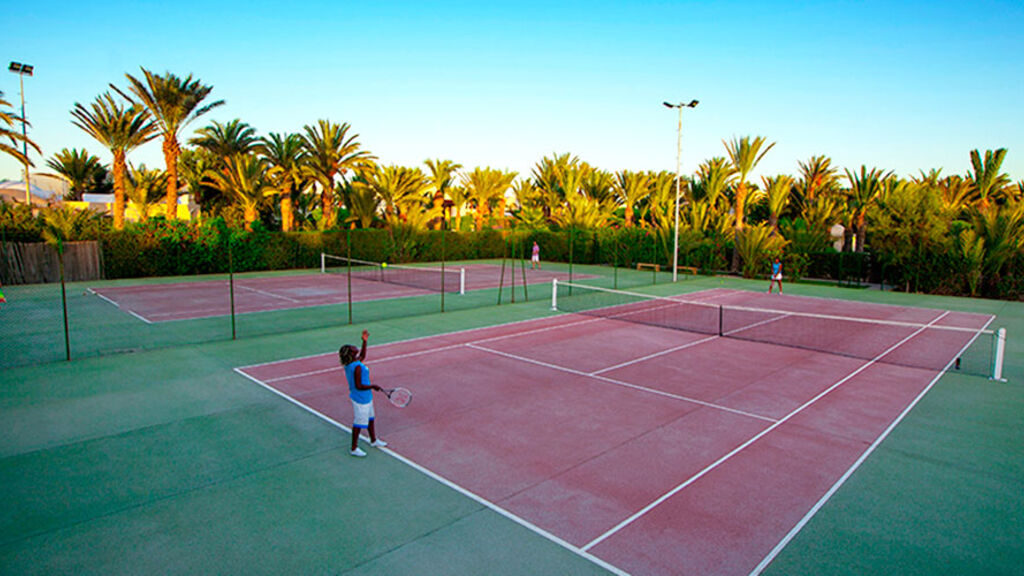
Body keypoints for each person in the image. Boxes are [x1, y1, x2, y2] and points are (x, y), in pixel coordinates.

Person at [339, 329, 388, 457]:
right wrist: (373, 386)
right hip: (360, 398)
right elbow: (359, 386)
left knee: (371, 419)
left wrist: (364, 342)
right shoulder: (357, 367)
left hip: (366, 396)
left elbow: (362, 356)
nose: (355, 347)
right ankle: (354, 448)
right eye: (352, 348)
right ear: (351, 353)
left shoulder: (353, 363)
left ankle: (373, 440)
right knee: (359, 423)